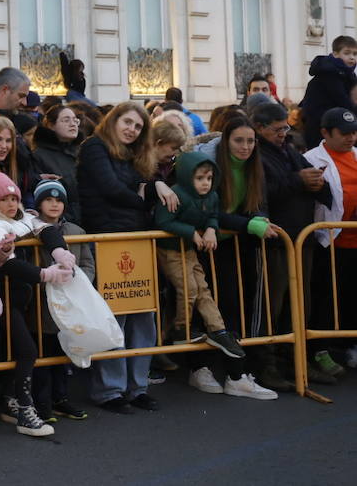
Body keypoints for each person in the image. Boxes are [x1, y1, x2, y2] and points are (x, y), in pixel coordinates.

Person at [153, 152, 276, 400]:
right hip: (171, 251)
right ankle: (180, 329)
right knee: (188, 289)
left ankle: (218, 329)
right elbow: (163, 221)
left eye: (209, 177)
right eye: (199, 178)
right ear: (188, 177)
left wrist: (210, 229)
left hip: (189, 250)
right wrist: (191, 232)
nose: (205, 182)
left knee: (203, 289)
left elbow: (212, 216)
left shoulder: (212, 196)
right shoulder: (175, 193)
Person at [0, 168, 74, 437]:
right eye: (4, 199)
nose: (12, 204)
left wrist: (59, 251)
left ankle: (11, 401)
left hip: (20, 297)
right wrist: (45, 274)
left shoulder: (24, 218)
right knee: (27, 351)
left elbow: (46, 229)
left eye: (14, 198)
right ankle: (25, 413)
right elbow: (4, 261)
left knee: (19, 350)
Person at [77, 101, 165, 413]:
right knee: (115, 317)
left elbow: (143, 184)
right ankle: (109, 390)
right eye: (127, 122)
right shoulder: (94, 147)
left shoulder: (134, 156)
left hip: (137, 237)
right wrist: (141, 200)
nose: (131, 129)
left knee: (143, 316)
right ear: (114, 121)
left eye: (138, 127)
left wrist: (154, 186)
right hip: (107, 237)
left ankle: (137, 387)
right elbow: (110, 188)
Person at [251, 99, 331, 388]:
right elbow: (262, 192)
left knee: (300, 305)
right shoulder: (256, 154)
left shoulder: (290, 150)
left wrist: (319, 182)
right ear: (259, 128)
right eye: (277, 129)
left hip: (301, 237)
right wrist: (299, 181)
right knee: (272, 305)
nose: (283, 133)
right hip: (275, 240)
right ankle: (266, 364)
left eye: (286, 127)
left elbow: (310, 175)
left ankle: (296, 359)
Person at [30, 179, 91, 422]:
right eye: (48, 200)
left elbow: (87, 262)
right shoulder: (30, 230)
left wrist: (80, 281)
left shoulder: (76, 232)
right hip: (42, 301)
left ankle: (61, 398)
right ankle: (42, 400)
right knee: (43, 350)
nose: (54, 205)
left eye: (59, 201)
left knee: (64, 349)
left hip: (70, 301)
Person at [305, 107, 357, 380]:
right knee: (325, 297)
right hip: (328, 242)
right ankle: (320, 350)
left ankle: (349, 344)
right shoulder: (311, 159)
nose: (351, 138)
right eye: (344, 133)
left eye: (354, 132)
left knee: (353, 297)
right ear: (325, 132)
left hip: (355, 241)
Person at [27, 105, 83, 224]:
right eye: (66, 120)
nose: (73, 124)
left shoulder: (82, 151)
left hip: (87, 218)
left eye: (75, 120)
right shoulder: (39, 155)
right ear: (51, 125)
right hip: (59, 221)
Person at [300, 36, 357, 150]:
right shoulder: (329, 73)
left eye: (355, 54)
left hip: (338, 124)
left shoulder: (347, 74)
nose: (352, 57)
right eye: (347, 53)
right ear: (335, 54)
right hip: (321, 127)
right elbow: (344, 101)